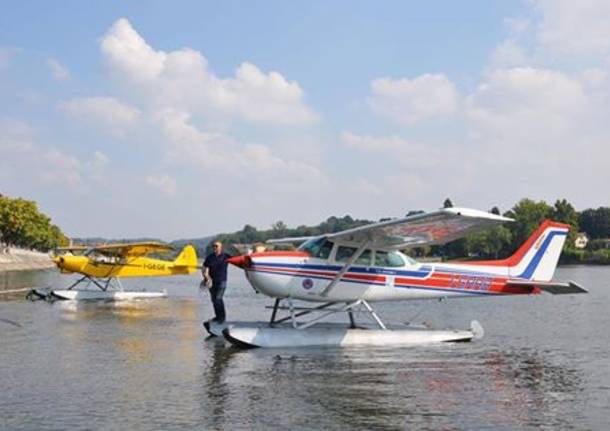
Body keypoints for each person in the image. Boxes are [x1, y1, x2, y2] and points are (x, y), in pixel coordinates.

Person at [203, 241, 231, 323]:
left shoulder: (226, 256)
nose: (215, 247)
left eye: (216, 246)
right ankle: (218, 317)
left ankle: (222, 318)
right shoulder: (210, 257)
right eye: (213, 246)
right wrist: (205, 276)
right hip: (211, 282)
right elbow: (205, 267)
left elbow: (236, 259)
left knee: (218, 299)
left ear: (221, 247)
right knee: (214, 300)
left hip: (222, 281)